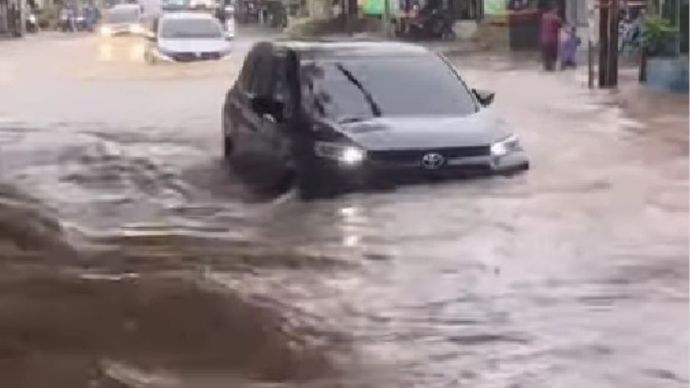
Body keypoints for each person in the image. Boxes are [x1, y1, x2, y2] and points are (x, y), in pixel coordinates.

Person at [540, 5, 562, 71]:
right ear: (553, 10)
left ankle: (546, 68)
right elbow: (559, 26)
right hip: (553, 40)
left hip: (544, 40)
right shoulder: (556, 18)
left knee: (546, 56)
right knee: (553, 56)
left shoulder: (544, 17)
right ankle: (552, 69)